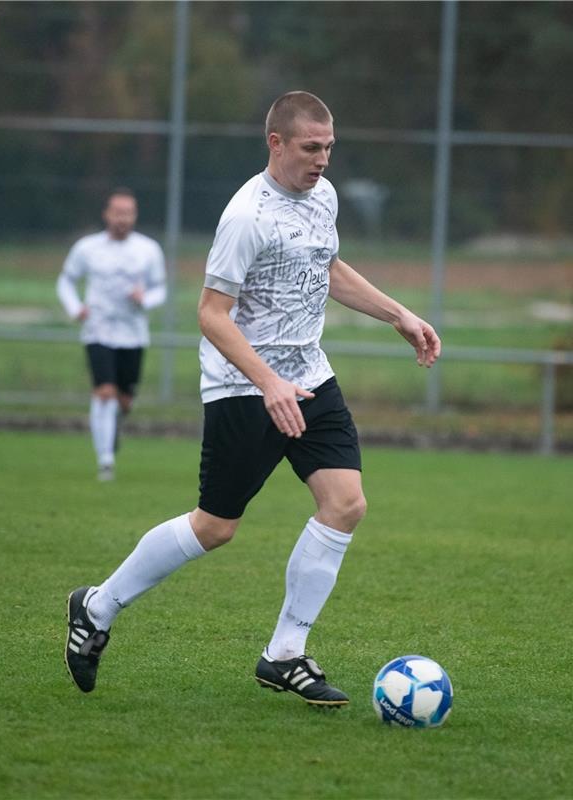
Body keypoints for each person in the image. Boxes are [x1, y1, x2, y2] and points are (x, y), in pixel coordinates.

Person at [64, 92, 440, 705]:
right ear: (277, 143)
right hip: (244, 387)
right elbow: (212, 314)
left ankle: (285, 653)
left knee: (345, 504)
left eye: (329, 147)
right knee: (215, 527)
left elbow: (329, 266)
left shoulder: (325, 197)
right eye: (311, 147)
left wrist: (397, 313)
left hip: (309, 377)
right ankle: (96, 606)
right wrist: (266, 381)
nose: (323, 159)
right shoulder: (246, 216)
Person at [56, 188, 167, 481]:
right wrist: (75, 307)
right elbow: (66, 281)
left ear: (135, 215)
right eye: (117, 212)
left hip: (133, 334)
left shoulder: (148, 250)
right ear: (107, 214)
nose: (122, 219)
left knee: (123, 401)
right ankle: (105, 461)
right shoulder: (87, 248)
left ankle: (111, 429)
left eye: (128, 213)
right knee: (104, 392)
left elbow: (160, 289)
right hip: (98, 330)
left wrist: (145, 298)